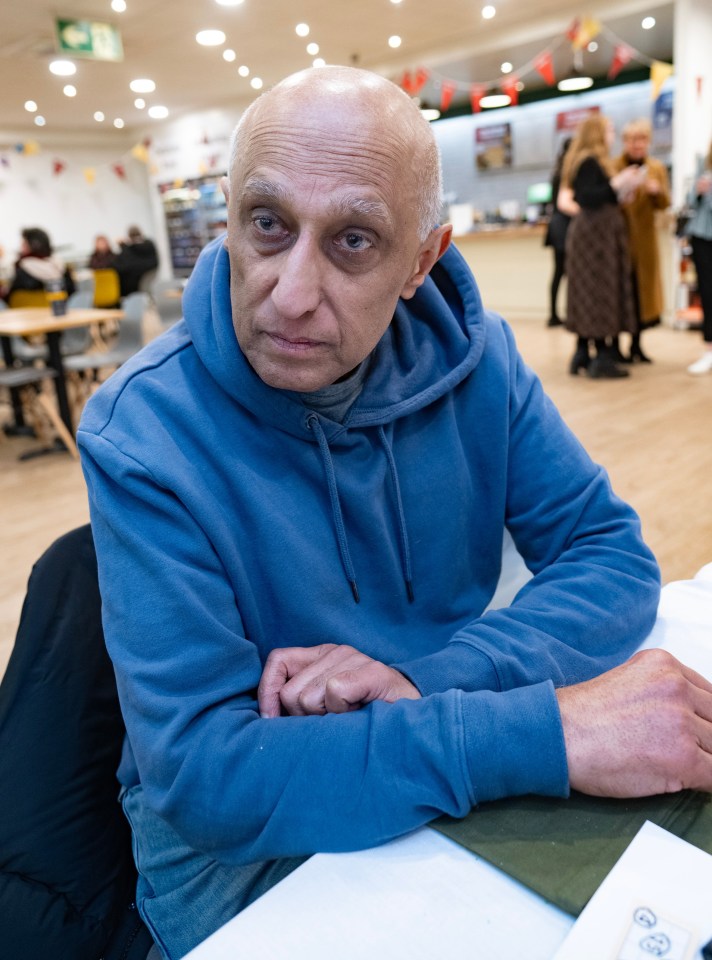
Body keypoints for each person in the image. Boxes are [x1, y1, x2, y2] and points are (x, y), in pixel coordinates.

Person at [77, 68, 712, 959]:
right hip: (241, 856)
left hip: (440, 755)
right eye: (268, 225)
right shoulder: (141, 428)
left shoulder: (478, 360)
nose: (291, 292)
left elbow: (608, 552)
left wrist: (426, 681)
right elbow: (207, 779)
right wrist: (544, 731)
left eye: (353, 242)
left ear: (422, 260)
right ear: (228, 218)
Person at [562, 115, 640, 379]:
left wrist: (621, 191)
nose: (613, 135)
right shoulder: (589, 162)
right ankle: (601, 357)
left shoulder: (590, 162)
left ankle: (583, 352)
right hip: (596, 238)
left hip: (598, 235)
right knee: (600, 292)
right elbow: (585, 197)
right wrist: (616, 184)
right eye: (609, 130)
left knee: (591, 292)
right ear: (596, 133)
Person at [613, 119, 671, 363]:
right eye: (632, 140)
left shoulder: (656, 168)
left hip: (645, 242)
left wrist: (657, 191)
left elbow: (665, 204)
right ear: (625, 142)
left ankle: (637, 345)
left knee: (642, 293)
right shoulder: (614, 166)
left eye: (642, 140)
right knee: (618, 292)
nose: (637, 145)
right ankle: (614, 347)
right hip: (619, 240)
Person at [544, 137, 578, 327]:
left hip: (556, 225)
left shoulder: (558, 172)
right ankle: (560, 315)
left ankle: (554, 314)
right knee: (565, 272)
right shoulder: (568, 174)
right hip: (563, 226)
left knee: (558, 271)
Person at [685, 141, 712, 375]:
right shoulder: (704, 162)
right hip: (703, 236)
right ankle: (709, 349)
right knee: (707, 292)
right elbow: (691, 199)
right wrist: (698, 191)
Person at [1, 227, 75, 303]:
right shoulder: (59, 265)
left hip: (24, 312)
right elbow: (71, 292)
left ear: (33, 246)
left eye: (23, 244)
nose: (21, 247)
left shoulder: (22, 268)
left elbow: (10, 296)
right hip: (57, 310)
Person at [113, 225, 158, 296]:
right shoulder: (148, 244)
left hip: (136, 283)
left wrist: (123, 246)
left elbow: (127, 264)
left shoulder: (132, 248)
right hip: (144, 278)